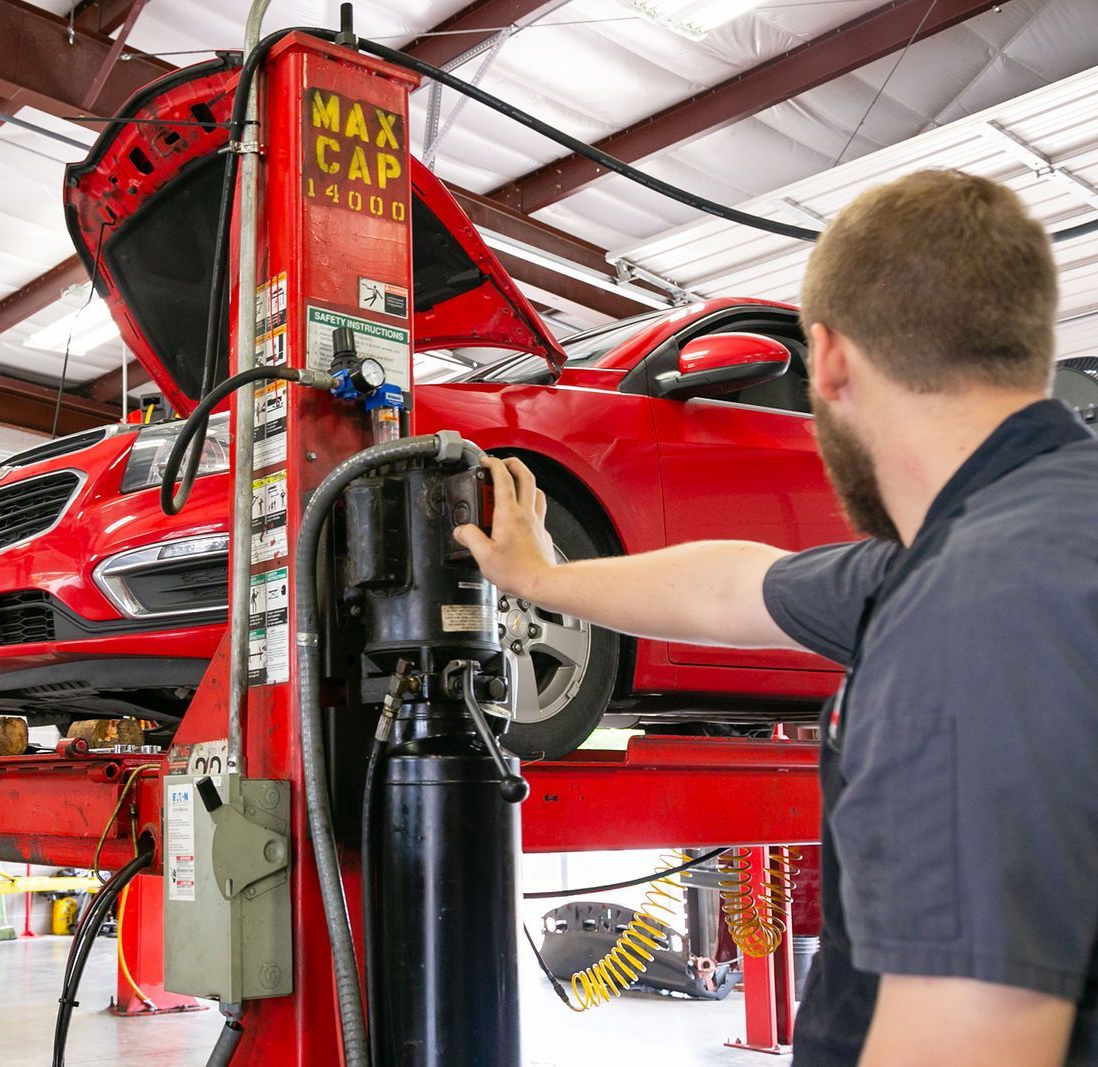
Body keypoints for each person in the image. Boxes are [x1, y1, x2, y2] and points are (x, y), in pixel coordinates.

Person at [453, 170, 1098, 1066]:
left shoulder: (969, 617)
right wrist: (542, 578)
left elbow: (972, 1042)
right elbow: (737, 583)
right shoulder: (964, 553)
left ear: (826, 359)